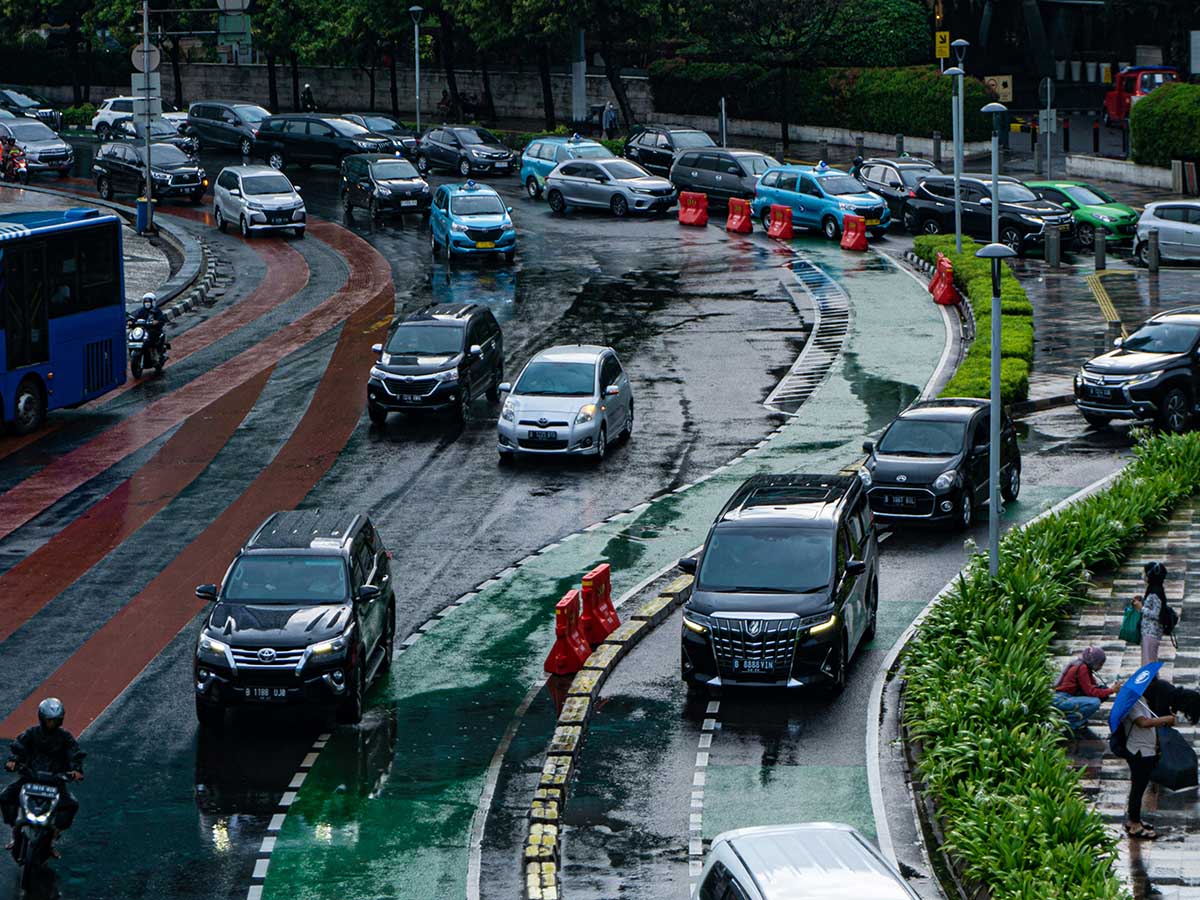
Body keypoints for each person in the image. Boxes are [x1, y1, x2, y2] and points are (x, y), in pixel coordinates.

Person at [1, 699, 85, 852]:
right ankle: (15, 830)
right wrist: (13, 760)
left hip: (56, 780)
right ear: (42, 718)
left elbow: (75, 753)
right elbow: (18, 746)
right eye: (49, 720)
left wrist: (76, 770)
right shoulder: (31, 733)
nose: (52, 723)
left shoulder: (65, 737)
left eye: (56, 720)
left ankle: (53, 835)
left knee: (71, 805)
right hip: (30, 776)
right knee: (5, 797)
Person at [1121, 690, 1174, 839]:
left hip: (1146, 750)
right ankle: (1134, 824)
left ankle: (1135, 820)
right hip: (1139, 752)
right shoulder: (1132, 701)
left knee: (1139, 787)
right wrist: (1166, 719)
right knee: (1138, 788)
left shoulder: (1140, 699)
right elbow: (1142, 722)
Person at [1052, 646, 1120, 733]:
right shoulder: (1082, 668)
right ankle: (1069, 722)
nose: (1100, 667)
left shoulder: (1083, 665)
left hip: (1065, 696)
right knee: (1094, 702)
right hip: (1061, 699)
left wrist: (1106, 690)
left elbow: (1093, 686)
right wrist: (1111, 690)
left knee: (1102, 691)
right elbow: (1091, 691)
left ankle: (1077, 718)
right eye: (1100, 664)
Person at [1131, 561, 1168, 666]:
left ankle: (1153, 682)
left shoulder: (1155, 592)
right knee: (1147, 662)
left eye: (1146, 573)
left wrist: (1141, 608)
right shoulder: (1153, 589)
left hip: (1151, 632)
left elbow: (1156, 614)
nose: (1144, 575)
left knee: (1149, 664)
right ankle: (1151, 682)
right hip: (1147, 632)